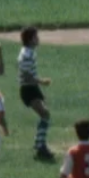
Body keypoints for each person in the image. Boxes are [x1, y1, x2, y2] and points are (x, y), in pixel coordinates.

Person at [17, 26, 55, 160]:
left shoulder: (29, 52)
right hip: (29, 89)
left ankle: (39, 144)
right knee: (45, 114)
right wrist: (41, 81)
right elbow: (26, 76)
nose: (38, 39)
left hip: (31, 88)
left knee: (45, 114)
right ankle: (40, 146)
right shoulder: (27, 55)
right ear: (30, 39)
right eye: (36, 37)